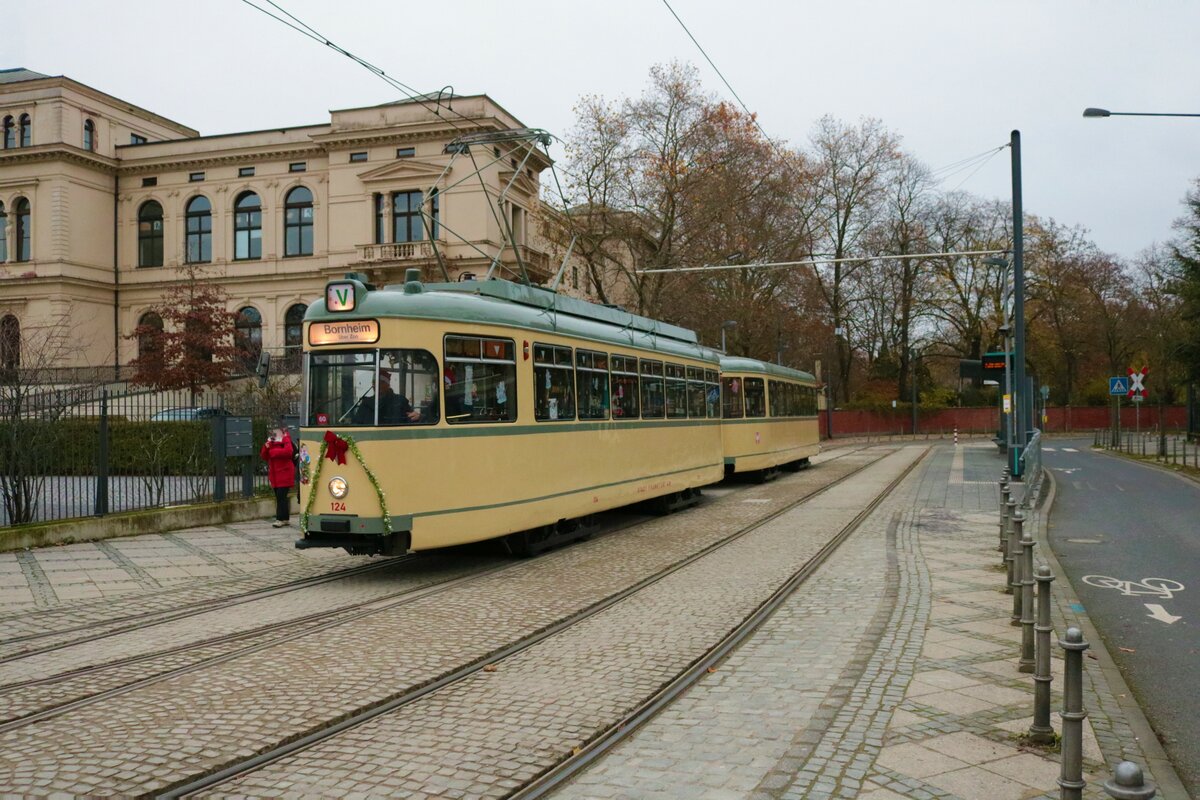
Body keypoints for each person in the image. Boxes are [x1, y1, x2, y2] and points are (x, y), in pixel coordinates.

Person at [260, 424, 296, 528]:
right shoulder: (270, 441)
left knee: (281, 496)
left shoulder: (286, 439)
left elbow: (288, 452)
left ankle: (279, 519)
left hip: (285, 472)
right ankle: (285, 518)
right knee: (280, 497)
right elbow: (264, 455)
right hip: (275, 474)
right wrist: (267, 447)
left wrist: (273, 452)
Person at [357, 370, 421, 424]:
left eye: (380, 382)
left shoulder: (400, 401)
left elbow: (412, 418)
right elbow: (357, 423)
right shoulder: (366, 403)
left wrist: (418, 417)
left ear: (387, 384)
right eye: (374, 382)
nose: (376, 385)